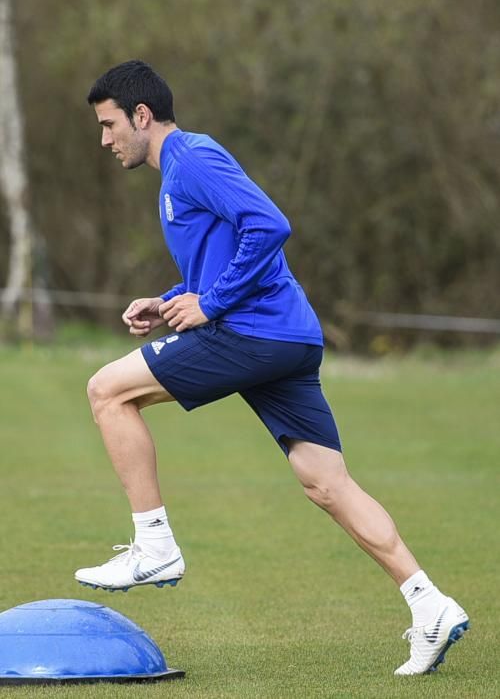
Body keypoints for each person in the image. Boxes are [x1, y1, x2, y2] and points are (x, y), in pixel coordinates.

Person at [76, 60, 469, 675]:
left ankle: (153, 544)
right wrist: (174, 298)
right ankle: (430, 605)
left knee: (107, 392)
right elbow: (230, 254)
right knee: (326, 483)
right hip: (284, 337)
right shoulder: (180, 171)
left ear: (141, 116)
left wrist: (212, 303)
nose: (105, 140)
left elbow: (270, 224)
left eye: (108, 125)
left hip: (253, 334)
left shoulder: (193, 159)